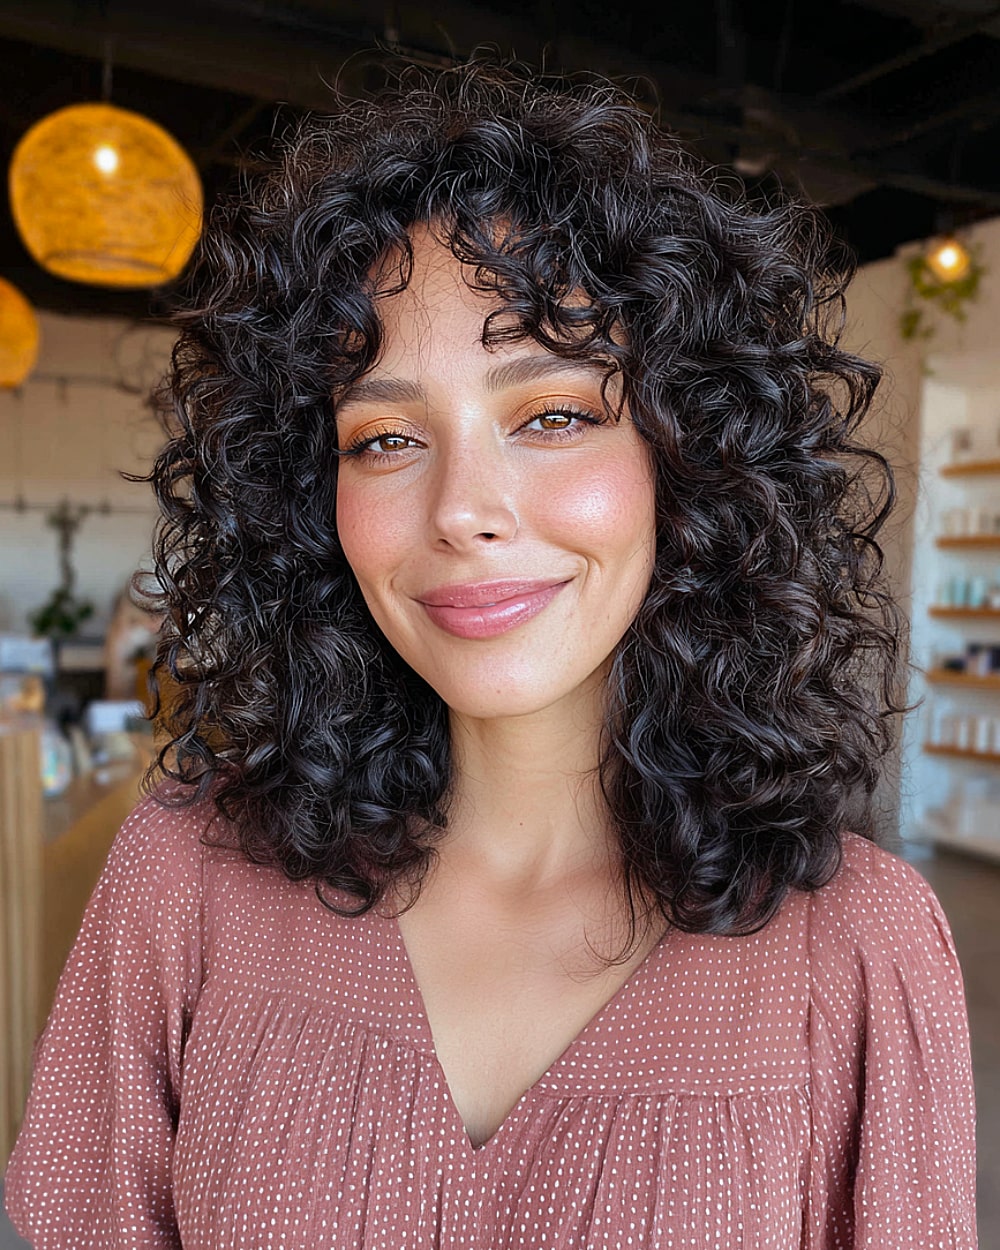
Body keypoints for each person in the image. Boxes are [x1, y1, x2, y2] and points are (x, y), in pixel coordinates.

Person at [5, 61, 977, 1249]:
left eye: (552, 414)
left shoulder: (861, 954)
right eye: (387, 435)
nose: (462, 508)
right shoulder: (183, 883)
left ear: (691, 459)